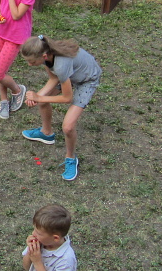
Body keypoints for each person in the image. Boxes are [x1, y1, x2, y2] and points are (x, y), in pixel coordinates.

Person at [20, 36, 101, 181]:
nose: (30, 65)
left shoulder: (61, 66)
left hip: (87, 79)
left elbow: (67, 98)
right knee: (43, 100)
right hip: (71, 75)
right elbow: (53, 78)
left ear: (44, 56)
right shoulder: (47, 54)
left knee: (68, 127)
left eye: (32, 61)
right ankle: (46, 133)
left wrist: (39, 97)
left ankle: (71, 158)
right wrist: (37, 97)